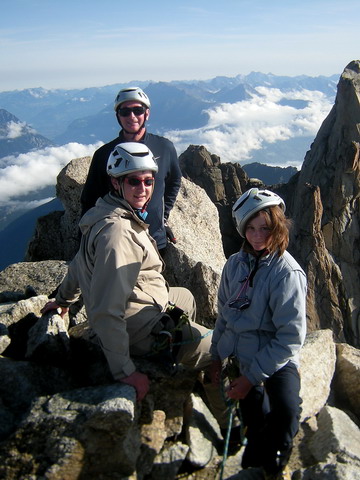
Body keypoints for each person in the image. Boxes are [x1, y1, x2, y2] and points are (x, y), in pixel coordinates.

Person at [41, 142, 228, 430]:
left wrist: (63, 301)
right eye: (133, 181)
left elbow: (78, 264)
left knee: (186, 297)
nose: (142, 188)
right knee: (225, 350)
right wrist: (125, 372)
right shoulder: (119, 235)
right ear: (116, 182)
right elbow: (105, 310)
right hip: (139, 330)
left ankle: (184, 354)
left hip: (145, 304)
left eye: (148, 181)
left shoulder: (104, 213)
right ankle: (227, 421)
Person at [210, 188, 307, 480]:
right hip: (243, 353)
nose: (257, 235)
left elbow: (290, 337)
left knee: (287, 411)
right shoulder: (234, 265)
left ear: (277, 226)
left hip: (278, 357)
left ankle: (277, 461)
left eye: (265, 227)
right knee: (254, 415)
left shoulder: (287, 273)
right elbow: (224, 314)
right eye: (250, 228)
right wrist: (216, 355)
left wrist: (251, 378)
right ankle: (254, 451)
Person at [80, 86, 181, 254]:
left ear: (146, 113)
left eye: (138, 110)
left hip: (154, 238)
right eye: (125, 112)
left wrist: (163, 218)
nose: (132, 116)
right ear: (118, 116)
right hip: (116, 241)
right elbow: (89, 200)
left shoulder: (164, 148)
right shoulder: (104, 155)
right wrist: (84, 245)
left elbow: (174, 181)